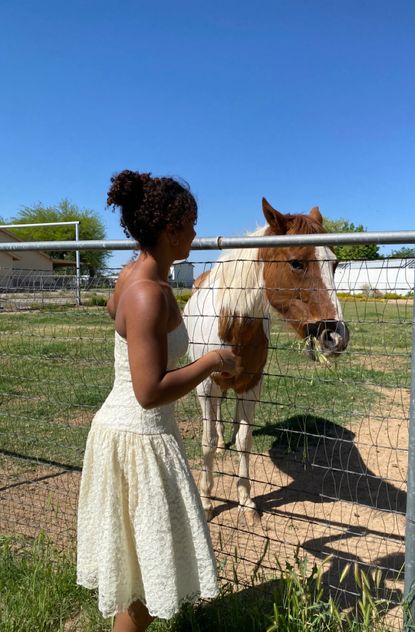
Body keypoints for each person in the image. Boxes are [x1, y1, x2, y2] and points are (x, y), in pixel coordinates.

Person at [76, 170, 236, 632]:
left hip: (129, 433)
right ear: (171, 230)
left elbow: (114, 313)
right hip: (138, 438)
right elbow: (148, 392)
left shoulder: (134, 275)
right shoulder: (147, 292)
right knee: (144, 575)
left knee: (138, 570)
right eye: (191, 224)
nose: (195, 234)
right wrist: (211, 362)